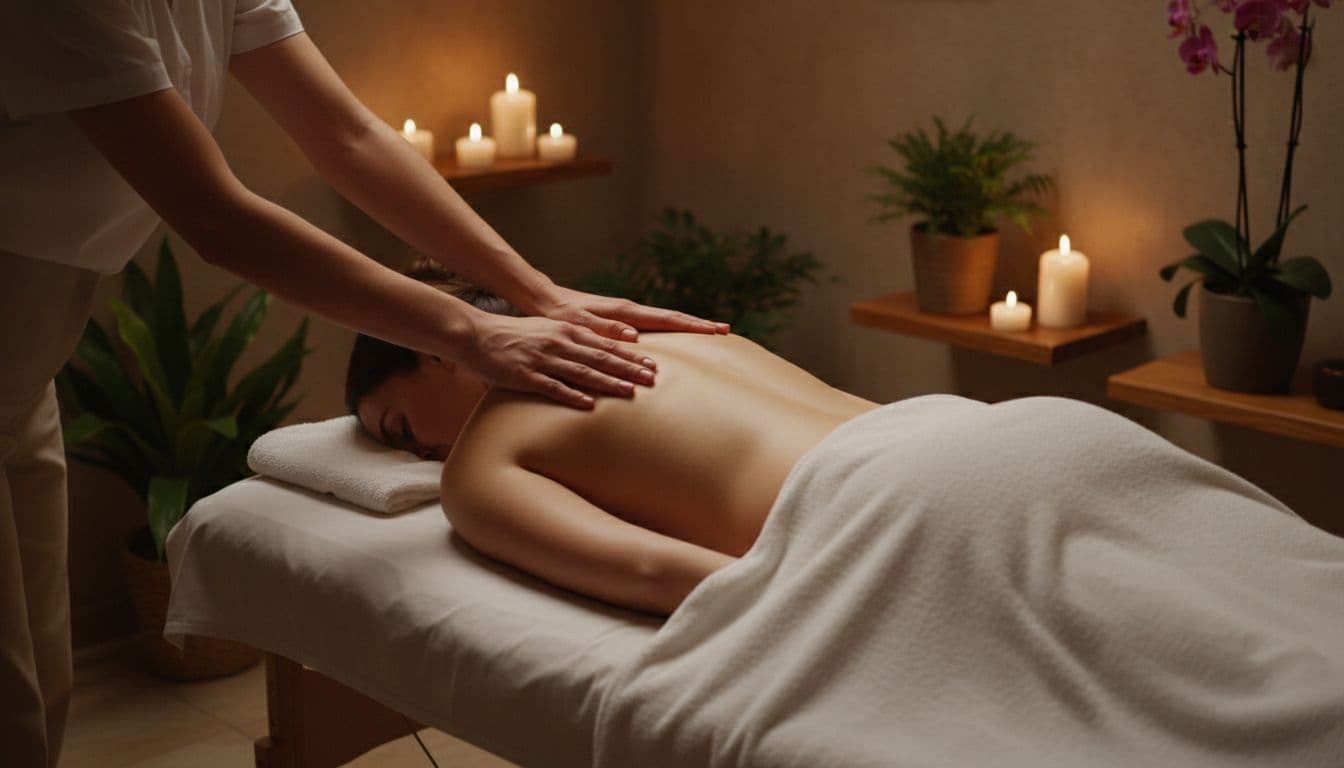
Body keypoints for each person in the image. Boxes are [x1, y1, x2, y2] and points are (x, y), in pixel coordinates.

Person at [0, 3, 722, 765]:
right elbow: (215, 218)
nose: (424, 455)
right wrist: (476, 325)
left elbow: (349, 134)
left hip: (29, 359)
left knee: (39, 692)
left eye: (400, 434)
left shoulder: (490, 477)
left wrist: (535, 294)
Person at [347, 263, 877, 616]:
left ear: (434, 350)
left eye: (400, 429)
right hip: (932, 426)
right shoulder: (635, 331)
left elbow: (662, 577)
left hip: (860, 520)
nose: (416, 455)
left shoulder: (477, 469)